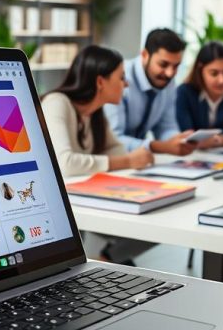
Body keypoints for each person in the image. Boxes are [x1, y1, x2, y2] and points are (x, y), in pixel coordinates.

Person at [41, 45, 155, 264]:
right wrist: (129, 161)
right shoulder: (57, 103)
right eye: (121, 77)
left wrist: (126, 161)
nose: (126, 84)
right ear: (100, 82)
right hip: (56, 206)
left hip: (82, 197)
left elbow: (115, 150)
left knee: (155, 221)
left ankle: (107, 259)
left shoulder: (94, 114)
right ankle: (107, 260)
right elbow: (66, 164)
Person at [105, 28, 196, 156]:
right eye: (163, 65)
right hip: (113, 158)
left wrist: (178, 141)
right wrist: (158, 146)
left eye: (176, 66)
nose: (170, 73)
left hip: (139, 160)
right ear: (145, 55)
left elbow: (166, 127)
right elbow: (114, 140)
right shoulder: (119, 79)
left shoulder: (168, 82)